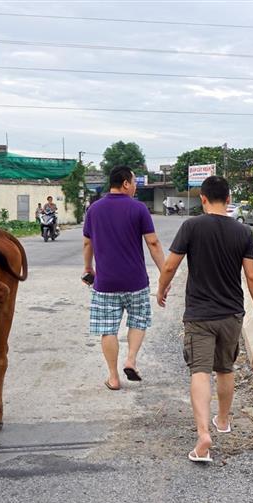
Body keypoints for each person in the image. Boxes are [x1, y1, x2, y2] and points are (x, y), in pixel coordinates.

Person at [156, 176, 253, 463]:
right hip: (232, 314)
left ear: (204, 199)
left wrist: (161, 288)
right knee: (225, 368)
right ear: (229, 199)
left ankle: (203, 434)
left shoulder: (191, 226)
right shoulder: (244, 232)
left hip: (199, 315)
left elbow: (171, 265)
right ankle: (222, 421)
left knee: (199, 371)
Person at [82, 166, 165, 390]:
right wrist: (165, 274)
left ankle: (113, 377)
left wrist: (88, 268)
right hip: (135, 281)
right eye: (134, 182)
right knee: (138, 320)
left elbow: (88, 242)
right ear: (126, 183)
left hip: (105, 283)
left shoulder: (94, 209)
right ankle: (131, 360)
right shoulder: (139, 209)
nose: (136, 186)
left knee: (108, 329)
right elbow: (153, 243)